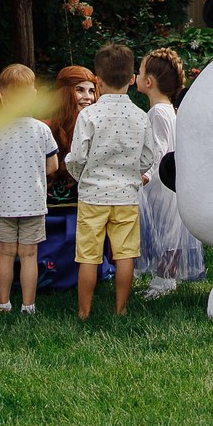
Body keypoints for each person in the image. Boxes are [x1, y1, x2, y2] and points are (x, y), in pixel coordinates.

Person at [64, 43, 153, 320]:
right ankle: (121, 309)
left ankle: (84, 311)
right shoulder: (140, 116)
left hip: (92, 196)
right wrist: (132, 174)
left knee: (88, 256)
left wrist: (81, 176)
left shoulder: (88, 115)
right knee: (125, 254)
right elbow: (148, 156)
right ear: (131, 79)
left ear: (98, 81)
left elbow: (77, 156)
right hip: (126, 196)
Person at [0, 63, 60, 315]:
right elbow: (53, 165)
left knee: (5, 254)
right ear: (33, 95)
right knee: (29, 255)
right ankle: (28, 305)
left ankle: (3, 303)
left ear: (2, 97)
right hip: (33, 203)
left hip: (4, 204)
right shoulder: (41, 130)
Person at [135, 47, 204, 299]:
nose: (137, 76)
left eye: (140, 72)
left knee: (165, 232)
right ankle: (164, 278)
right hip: (168, 181)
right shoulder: (169, 111)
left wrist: (145, 174)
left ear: (149, 82)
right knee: (168, 233)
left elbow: (158, 149)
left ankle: (163, 281)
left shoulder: (158, 113)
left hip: (161, 184)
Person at [45, 64, 96, 206]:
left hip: (85, 209)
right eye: (80, 90)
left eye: (91, 91)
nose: (88, 97)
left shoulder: (98, 129)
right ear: (64, 93)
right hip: (46, 210)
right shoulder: (45, 128)